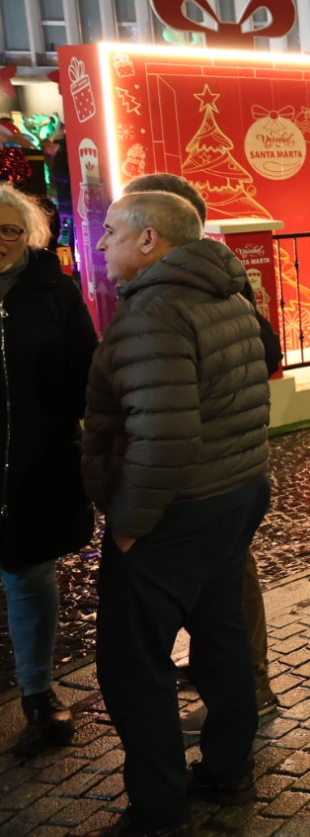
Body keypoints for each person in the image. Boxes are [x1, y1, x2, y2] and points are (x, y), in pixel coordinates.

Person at [82, 191, 272, 835]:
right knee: (220, 638)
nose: (100, 243)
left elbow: (162, 436)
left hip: (177, 511)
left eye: (112, 231)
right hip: (233, 494)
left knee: (134, 666)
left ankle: (160, 810)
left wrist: (129, 525)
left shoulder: (154, 312)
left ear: (149, 240)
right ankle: (228, 768)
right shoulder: (225, 292)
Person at [122, 173, 283, 744]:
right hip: (226, 470)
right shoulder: (191, 283)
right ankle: (233, 685)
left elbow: (264, 351)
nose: (106, 242)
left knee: (230, 585)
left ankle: (250, 688)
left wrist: (129, 521)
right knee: (221, 593)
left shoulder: (201, 286)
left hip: (213, 477)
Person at [0, 182, 96, 747]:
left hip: (35, 463)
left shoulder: (55, 290)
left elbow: (87, 371)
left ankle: (37, 691)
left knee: (28, 575)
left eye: (9, 229)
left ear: (29, 235)